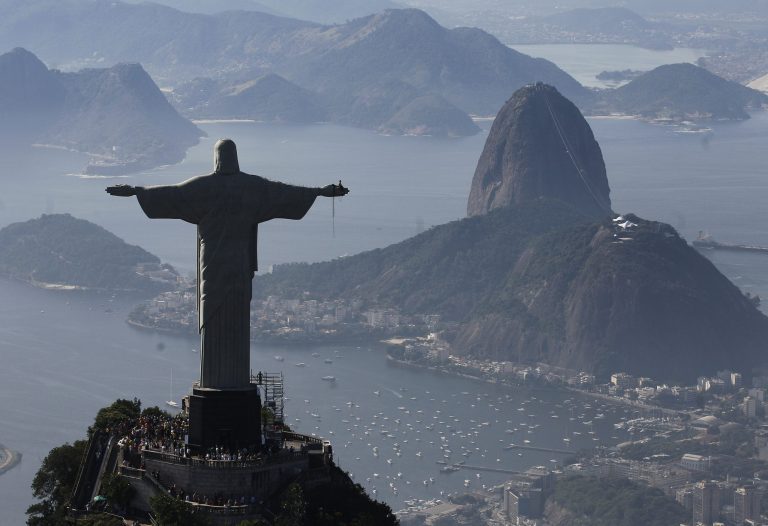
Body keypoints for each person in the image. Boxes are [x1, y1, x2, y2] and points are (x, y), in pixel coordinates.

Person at [107, 139, 348, 389]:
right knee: (237, 314)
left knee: (212, 309)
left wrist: (136, 190)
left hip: (211, 264)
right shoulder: (254, 186)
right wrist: (320, 191)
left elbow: (171, 194)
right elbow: (286, 192)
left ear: (216, 157)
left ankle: (214, 381)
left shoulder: (202, 187)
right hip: (240, 263)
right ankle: (233, 381)